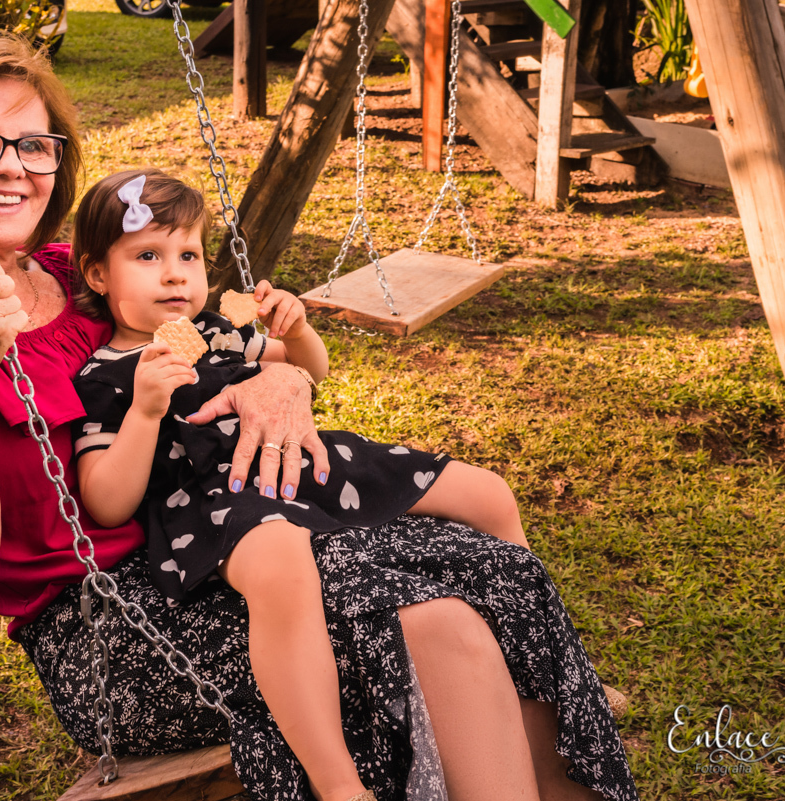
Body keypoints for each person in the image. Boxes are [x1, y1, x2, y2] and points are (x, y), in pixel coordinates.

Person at [0, 35, 640, 801]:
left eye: (33, 144)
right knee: (434, 626)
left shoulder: (68, 272)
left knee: (477, 561)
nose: (11, 167)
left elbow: (208, 344)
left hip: (205, 541)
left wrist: (280, 382)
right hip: (113, 630)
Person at [69, 168, 532, 801]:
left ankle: (533, 663)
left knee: (488, 495)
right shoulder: (107, 378)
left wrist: (298, 331)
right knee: (283, 565)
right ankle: (339, 784)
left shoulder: (220, 332)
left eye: (188, 254)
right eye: (147, 256)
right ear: (99, 275)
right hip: (216, 500)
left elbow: (313, 373)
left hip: (302, 464)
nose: (175, 273)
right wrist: (146, 411)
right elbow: (105, 498)